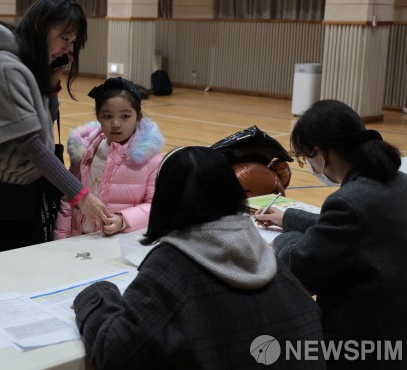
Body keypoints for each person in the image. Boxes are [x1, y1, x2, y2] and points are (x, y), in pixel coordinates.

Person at [73, 146, 324, 369]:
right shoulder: (262, 250)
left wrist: (97, 295)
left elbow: (116, 354)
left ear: (165, 200)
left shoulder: (172, 264)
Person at [0, 0, 112, 254]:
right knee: (2, 265)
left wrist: (51, 82)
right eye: (64, 38)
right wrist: (79, 195)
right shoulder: (0, 67)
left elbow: (45, 127)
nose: (68, 49)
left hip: (21, 185)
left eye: (72, 42)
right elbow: (30, 144)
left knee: (28, 262)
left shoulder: (28, 63)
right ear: (40, 25)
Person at [255, 99, 407, 364]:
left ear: (322, 154)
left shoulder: (349, 202)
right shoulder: (397, 181)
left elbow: (300, 269)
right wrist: (288, 217)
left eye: (306, 158)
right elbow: (356, 229)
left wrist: (282, 242)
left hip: (361, 343)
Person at [53, 77, 163, 239]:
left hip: (118, 242)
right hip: (78, 240)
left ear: (138, 117)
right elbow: (69, 199)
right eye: (107, 116)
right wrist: (60, 239)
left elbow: (155, 206)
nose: (116, 123)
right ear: (98, 117)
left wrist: (123, 220)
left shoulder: (151, 159)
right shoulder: (84, 151)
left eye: (125, 116)